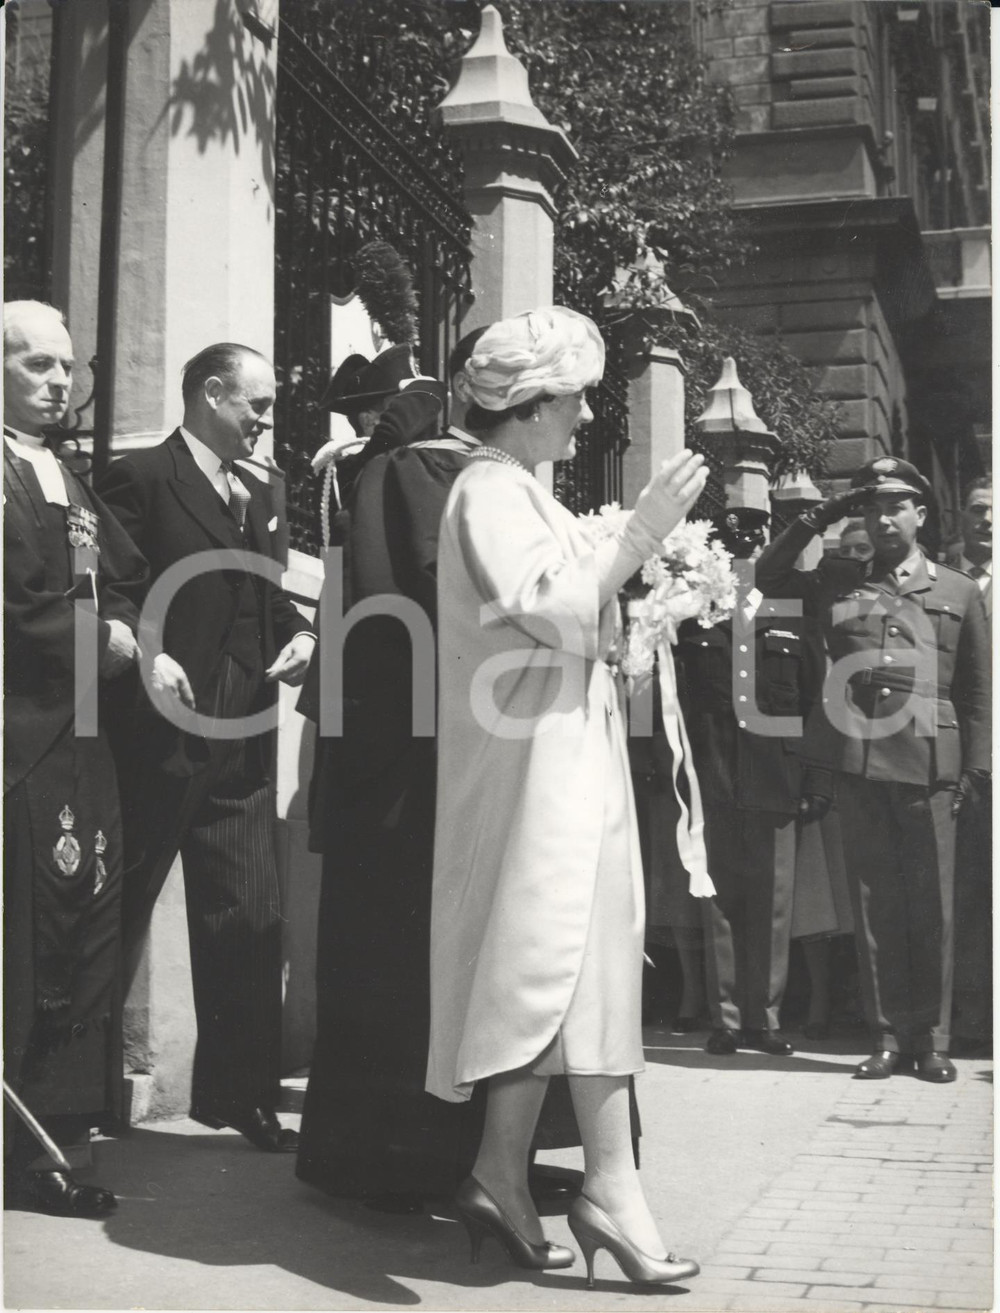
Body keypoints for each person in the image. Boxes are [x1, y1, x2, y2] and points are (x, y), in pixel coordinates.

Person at [427, 306, 704, 1287]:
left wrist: (642, 590)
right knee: (564, 961)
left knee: (568, 965)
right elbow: (550, 603)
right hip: (533, 773)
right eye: (576, 399)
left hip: (561, 762)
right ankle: (608, 1188)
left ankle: (504, 1173)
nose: (587, 415)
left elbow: (570, 616)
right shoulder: (490, 491)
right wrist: (639, 532)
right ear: (531, 408)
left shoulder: (521, 494)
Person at [96, 343, 315, 1150]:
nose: (263, 421)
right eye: (254, 405)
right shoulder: (139, 477)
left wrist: (303, 637)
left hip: (244, 729)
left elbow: (273, 593)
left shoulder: (266, 490)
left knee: (249, 915)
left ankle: (241, 1096)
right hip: (160, 729)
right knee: (119, 907)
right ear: (211, 393)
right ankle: (77, 1091)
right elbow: (113, 586)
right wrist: (150, 651)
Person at [756, 457, 991, 1082]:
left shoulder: (957, 590)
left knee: (933, 908)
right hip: (859, 762)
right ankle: (887, 1036)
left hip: (933, 766)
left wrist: (976, 770)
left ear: (921, 515)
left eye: (895, 506)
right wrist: (823, 514)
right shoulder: (839, 580)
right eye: (871, 507)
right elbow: (770, 572)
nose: (882, 518)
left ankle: (932, 1039)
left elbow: (977, 693)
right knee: (873, 904)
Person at [4, 300, 147, 1215]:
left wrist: (131, 628)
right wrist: (100, 640)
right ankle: (26, 1147)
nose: (58, 383)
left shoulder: (66, 473)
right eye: (35, 366)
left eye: (66, 368)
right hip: (22, 734)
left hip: (84, 736)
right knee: (27, 929)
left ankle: (60, 1131)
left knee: (83, 917)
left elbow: (124, 574)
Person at [673, 507, 829, 1057]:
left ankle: (764, 1020)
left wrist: (813, 775)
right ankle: (729, 1020)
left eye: (752, 539)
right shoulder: (696, 610)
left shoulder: (791, 608)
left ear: (767, 543)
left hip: (775, 770)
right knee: (717, 895)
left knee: (773, 899)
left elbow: (815, 696)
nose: (742, 548)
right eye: (731, 539)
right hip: (712, 767)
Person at [945, 476, 992, 1053]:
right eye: (978, 510)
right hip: (965, 763)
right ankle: (973, 1018)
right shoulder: (946, 585)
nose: (986, 521)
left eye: (995, 512)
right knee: (970, 897)